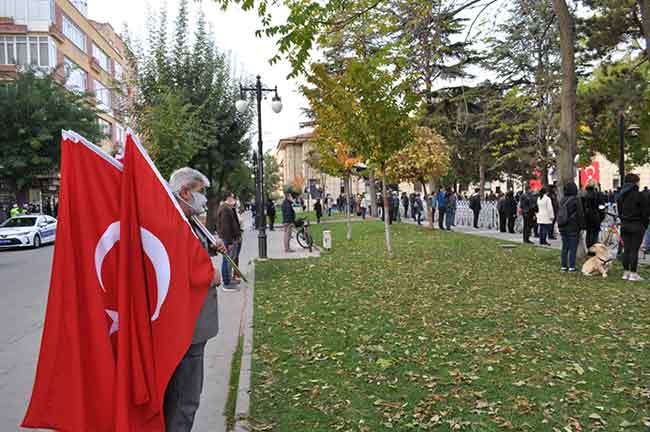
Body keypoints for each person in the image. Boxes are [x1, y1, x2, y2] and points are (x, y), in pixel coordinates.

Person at [167, 167, 225, 432]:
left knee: (182, 397)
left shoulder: (189, 222)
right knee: (185, 400)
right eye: (200, 193)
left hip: (191, 328)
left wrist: (213, 250)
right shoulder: (173, 223)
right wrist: (209, 275)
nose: (203, 200)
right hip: (187, 328)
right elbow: (177, 272)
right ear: (184, 192)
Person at [617, 173, 649, 281]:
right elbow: (645, 212)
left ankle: (626, 272)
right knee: (634, 250)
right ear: (635, 182)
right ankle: (633, 273)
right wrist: (644, 224)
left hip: (625, 224)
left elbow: (619, 211)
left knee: (626, 249)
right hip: (637, 224)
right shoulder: (640, 196)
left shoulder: (621, 195)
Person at [558, 182, 585, 272]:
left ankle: (563, 266)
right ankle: (572, 266)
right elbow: (580, 214)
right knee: (573, 247)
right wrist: (582, 226)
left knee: (565, 247)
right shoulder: (576, 200)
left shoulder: (562, 200)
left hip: (562, 226)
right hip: (573, 226)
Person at [216, 192, 241, 291]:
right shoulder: (225, 209)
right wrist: (230, 242)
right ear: (227, 198)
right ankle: (226, 283)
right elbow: (226, 227)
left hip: (229, 238)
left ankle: (229, 280)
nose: (234, 199)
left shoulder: (228, 208)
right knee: (227, 261)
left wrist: (234, 208)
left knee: (229, 261)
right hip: (227, 239)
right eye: (232, 197)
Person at [582, 180, 605, 249]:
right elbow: (601, 207)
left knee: (588, 233)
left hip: (587, 216)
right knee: (595, 234)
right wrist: (602, 216)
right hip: (596, 216)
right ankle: (594, 249)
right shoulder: (597, 194)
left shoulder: (584, 194)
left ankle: (589, 248)